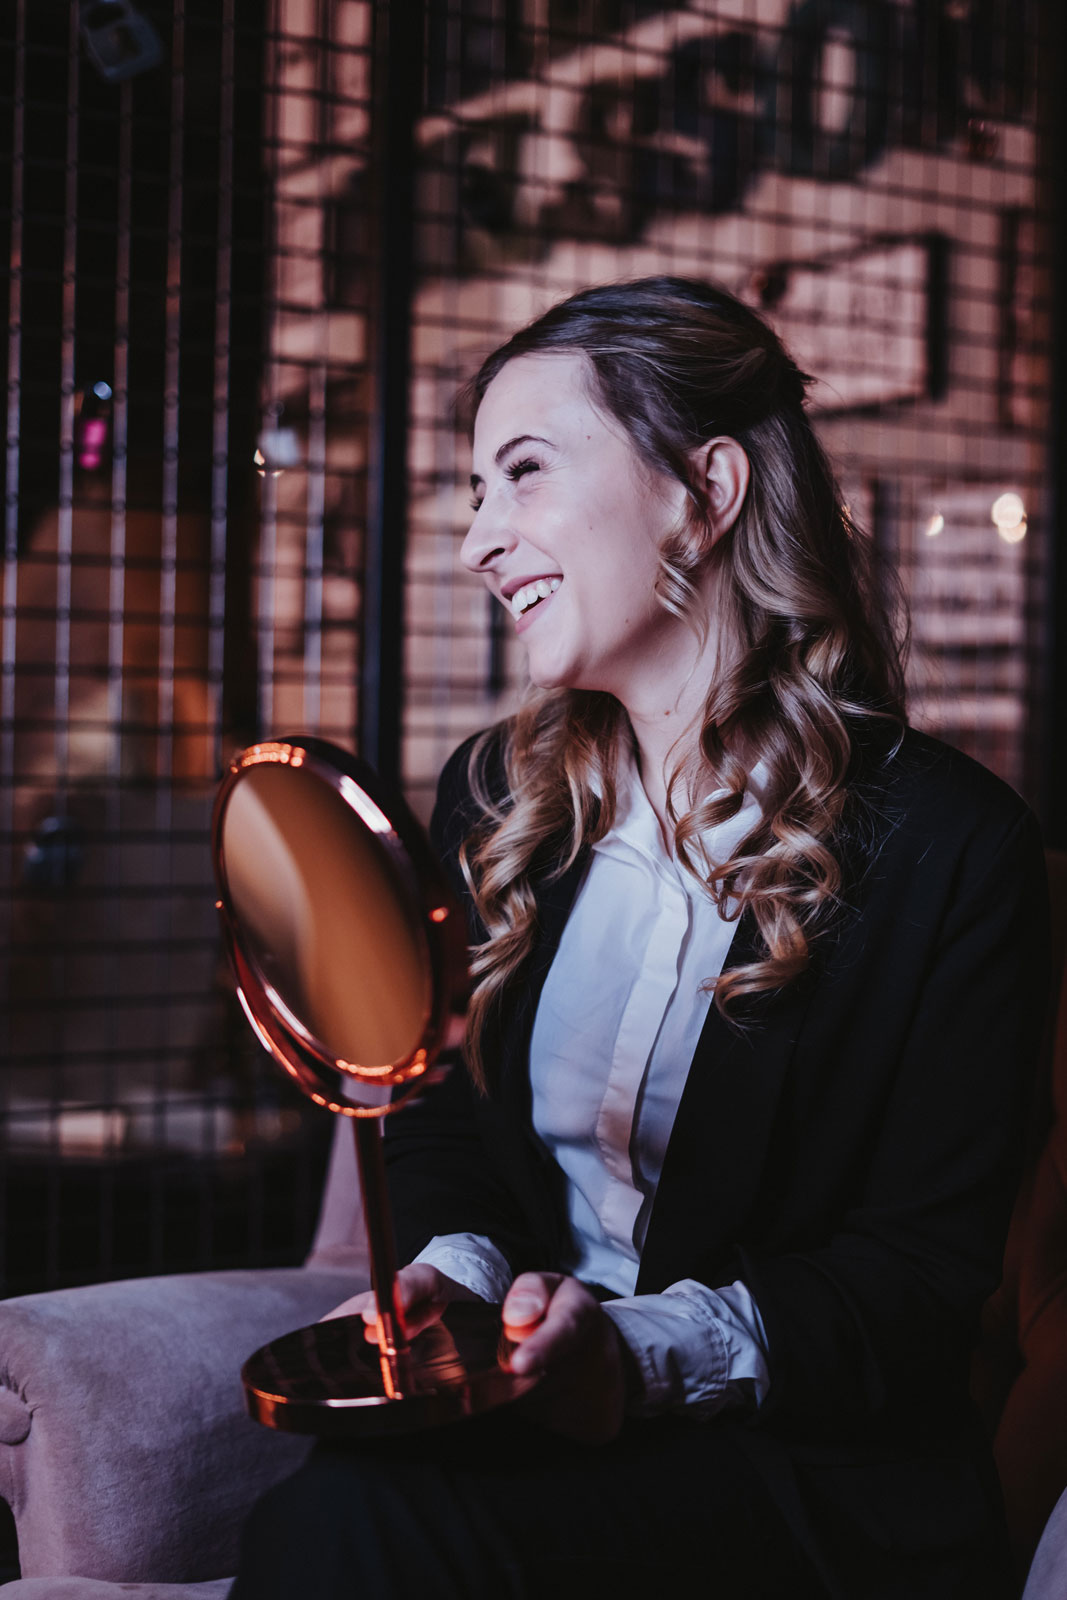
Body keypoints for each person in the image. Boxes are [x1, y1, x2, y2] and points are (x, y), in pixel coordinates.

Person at [230, 277, 1050, 1599]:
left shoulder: (953, 848)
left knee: (362, 1528)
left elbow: (914, 1281)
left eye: (523, 472)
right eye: (476, 490)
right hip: (522, 1430)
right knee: (346, 1514)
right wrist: (456, 1277)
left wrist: (629, 1358)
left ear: (703, 492)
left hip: (804, 1481)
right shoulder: (496, 799)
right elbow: (444, 1126)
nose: (477, 541)